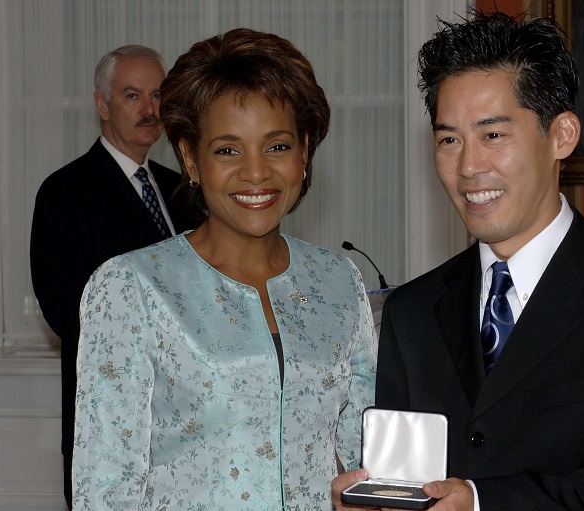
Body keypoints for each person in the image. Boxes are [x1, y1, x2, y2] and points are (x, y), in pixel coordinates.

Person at [333, 11, 584, 511]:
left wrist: (480, 502)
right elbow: (404, 485)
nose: (469, 166)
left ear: (561, 136)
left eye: (492, 135)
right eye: (449, 139)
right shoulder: (412, 313)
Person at [71, 28, 377, 510]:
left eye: (277, 146)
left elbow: (363, 457)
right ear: (191, 158)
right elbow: (105, 485)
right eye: (227, 150)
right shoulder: (132, 286)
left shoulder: (338, 281)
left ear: (304, 152)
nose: (256, 173)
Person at [30, 44, 194, 509]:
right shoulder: (65, 192)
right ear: (102, 104)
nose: (149, 109)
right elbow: (66, 311)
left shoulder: (181, 189)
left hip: (187, 418)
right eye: (132, 95)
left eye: (158, 95)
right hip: (111, 418)